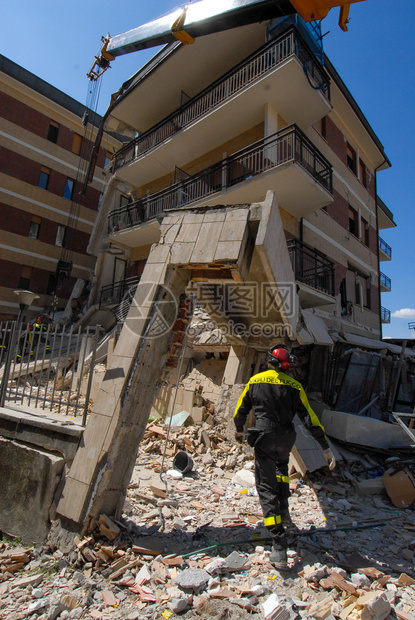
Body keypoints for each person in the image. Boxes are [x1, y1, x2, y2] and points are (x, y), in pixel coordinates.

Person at [233, 344, 335, 569]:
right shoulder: (295, 385)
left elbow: (240, 409)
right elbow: (310, 417)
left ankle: (278, 543)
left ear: (269, 361)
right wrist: (325, 447)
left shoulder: (255, 381)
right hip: (286, 438)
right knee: (281, 472)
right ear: (287, 365)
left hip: (264, 438)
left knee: (266, 486)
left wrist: (239, 429)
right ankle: (285, 513)